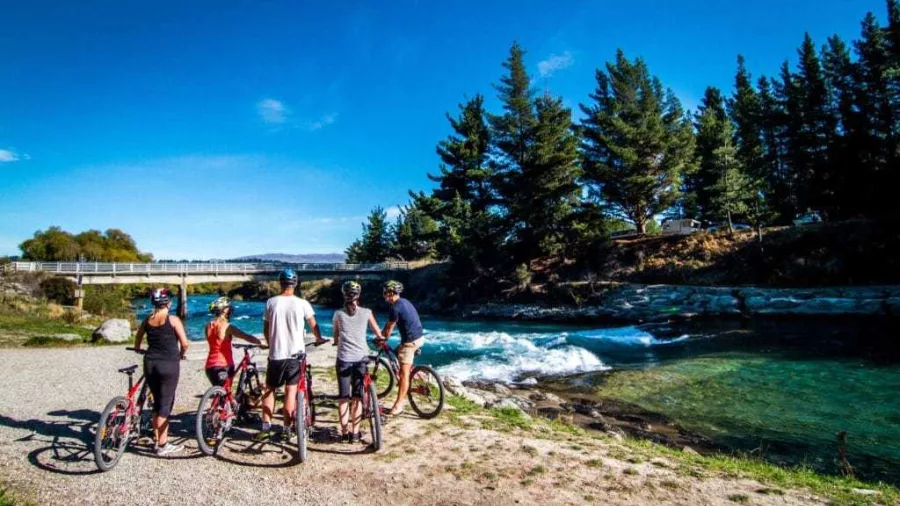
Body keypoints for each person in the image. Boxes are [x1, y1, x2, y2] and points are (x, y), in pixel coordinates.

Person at [258, 268, 327, 441]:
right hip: (296, 355)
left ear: (280, 283)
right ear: (295, 284)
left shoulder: (271, 303)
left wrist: (270, 342)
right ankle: (286, 429)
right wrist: (318, 338)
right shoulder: (302, 304)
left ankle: (265, 427)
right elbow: (313, 324)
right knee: (291, 391)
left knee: (270, 389)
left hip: (276, 354)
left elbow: (266, 330)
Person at [133, 288, 190, 456]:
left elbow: (138, 338)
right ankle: (163, 445)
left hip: (150, 363)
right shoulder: (173, 320)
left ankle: (157, 437)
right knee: (165, 403)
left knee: (157, 400)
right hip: (168, 364)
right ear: (169, 303)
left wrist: (138, 348)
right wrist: (181, 354)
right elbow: (185, 343)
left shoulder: (147, 320)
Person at [332, 280, 383, 443]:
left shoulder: (338, 314)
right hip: (361, 358)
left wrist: (335, 341)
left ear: (344, 295)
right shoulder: (367, 312)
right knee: (357, 397)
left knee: (343, 397)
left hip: (344, 359)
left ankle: (344, 433)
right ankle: (355, 433)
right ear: (358, 295)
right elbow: (378, 332)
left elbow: (336, 335)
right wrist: (380, 338)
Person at [379, 280, 424, 417]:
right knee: (398, 351)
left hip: (410, 343)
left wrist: (381, 338)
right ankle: (417, 374)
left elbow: (388, 329)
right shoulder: (405, 301)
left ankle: (398, 406)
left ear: (391, 293)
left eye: (385, 292)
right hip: (420, 338)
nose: (384, 295)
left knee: (403, 374)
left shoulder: (394, 308)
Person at [205, 296, 265, 387]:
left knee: (220, 394)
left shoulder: (208, 326)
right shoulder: (227, 327)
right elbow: (245, 336)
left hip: (210, 366)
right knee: (226, 393)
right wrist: (260, 342)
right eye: (229, 307)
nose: (230, 310)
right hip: (224, 365)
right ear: (224, 310)